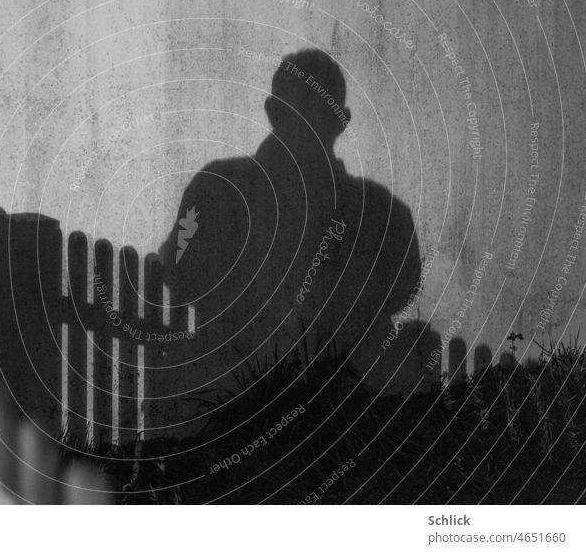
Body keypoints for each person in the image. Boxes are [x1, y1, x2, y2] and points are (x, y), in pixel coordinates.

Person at [156, 49, 422, 432]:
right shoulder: (385, 214)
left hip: (231, 411)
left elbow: (179, 270)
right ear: (343, 122)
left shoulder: (216, 187)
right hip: (349, 422)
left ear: (272, 111)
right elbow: (403, 290)